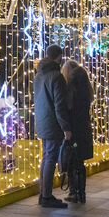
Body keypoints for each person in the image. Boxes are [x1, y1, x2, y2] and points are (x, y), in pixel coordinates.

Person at [34, 44, 72, 208]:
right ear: (59, 57)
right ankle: (47, 196)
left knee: (46, 157)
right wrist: (66, 127)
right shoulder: (57, 77)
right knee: (50, 158)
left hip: (42, 121)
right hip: (53, 123)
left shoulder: (39, 76)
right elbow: (59, 105)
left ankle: (44, 194)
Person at [61, 60, 94, 203]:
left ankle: (74, 192)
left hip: (73, 130)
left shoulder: (71, 89)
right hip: (84, 129)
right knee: (80, 162)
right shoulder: (86, 90)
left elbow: (68, 109)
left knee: (72, 160)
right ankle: (82, 193)